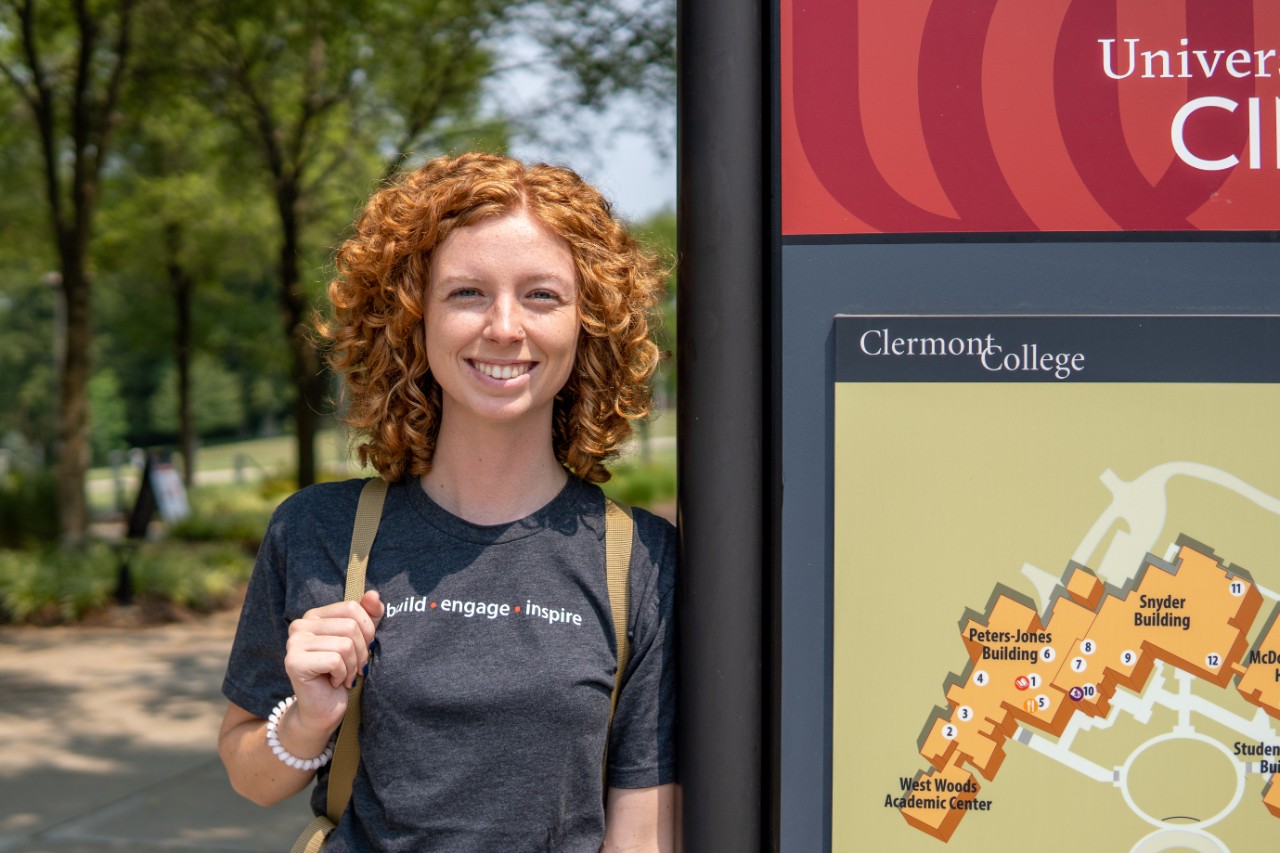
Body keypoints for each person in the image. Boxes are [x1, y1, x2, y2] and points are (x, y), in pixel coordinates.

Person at [217, 152, 677, 851]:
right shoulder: (317, 530)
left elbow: (641, 834)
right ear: (412, 316)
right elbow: (250, 775)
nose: (504, 326)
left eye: (542, 295)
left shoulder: (640, 560)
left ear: (589, 322)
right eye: (467, 293)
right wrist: (310, 718)